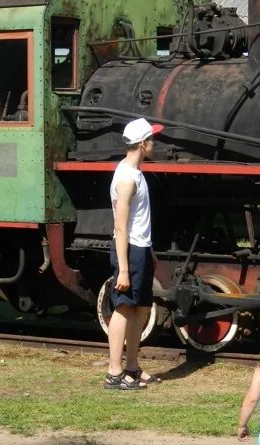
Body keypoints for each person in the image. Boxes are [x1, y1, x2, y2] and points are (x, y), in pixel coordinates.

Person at [104, 117, 164, 390]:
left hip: (140, 248)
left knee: (140, 309)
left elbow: (140, 220)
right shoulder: (127, 179)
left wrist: (149, 250)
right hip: (129, 250)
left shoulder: (133, 172)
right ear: (143, 143)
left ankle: (131, 366)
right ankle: (114, 372)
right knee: (124, 307)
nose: (156, 143)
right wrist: (125, 268)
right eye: (153, 138)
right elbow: (120, 225)